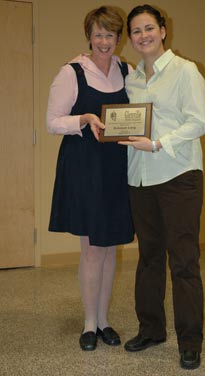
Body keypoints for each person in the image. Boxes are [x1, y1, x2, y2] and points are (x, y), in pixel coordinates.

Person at [119, 4, 205, 370]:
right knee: (149, 258)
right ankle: (151, 328)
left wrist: (158, 143)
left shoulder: (186, 71)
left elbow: (198, 122)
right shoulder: (132, 79)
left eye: (148, 28)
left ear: (163, 30)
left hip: (178, 176)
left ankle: (190, 341)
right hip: (140, 179)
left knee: (183, 261)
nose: (143, 36)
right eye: (136, 31)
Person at [46, 6, 134, 351]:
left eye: (110, 35)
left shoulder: (126, 70)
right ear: (89, 36)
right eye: (98, 34)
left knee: (110, 248)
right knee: (93, 249)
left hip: (115, 166)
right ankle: (88, 323)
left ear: (118, 39)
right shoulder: (72, 72)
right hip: (84, 165)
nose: (104, 41)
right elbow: (53, 122)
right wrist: (83, 119)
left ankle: (105, 321)